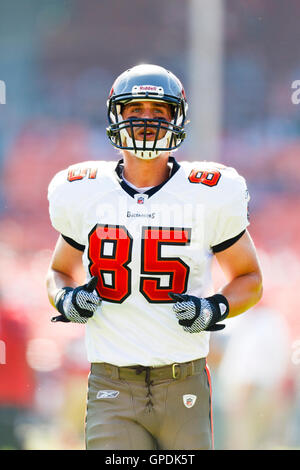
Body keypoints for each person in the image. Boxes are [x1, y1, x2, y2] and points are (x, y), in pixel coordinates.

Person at [46, 64, 263, 450]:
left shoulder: (208, 192)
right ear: (116, 118)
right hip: (112, 382)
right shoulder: (84, 190)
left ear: (177, 119)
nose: (146, 123)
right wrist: (67, 298)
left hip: (184, 380)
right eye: (135, 112)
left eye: (158, 113)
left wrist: (214, 308)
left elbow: (249, 279)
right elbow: (59, 272)